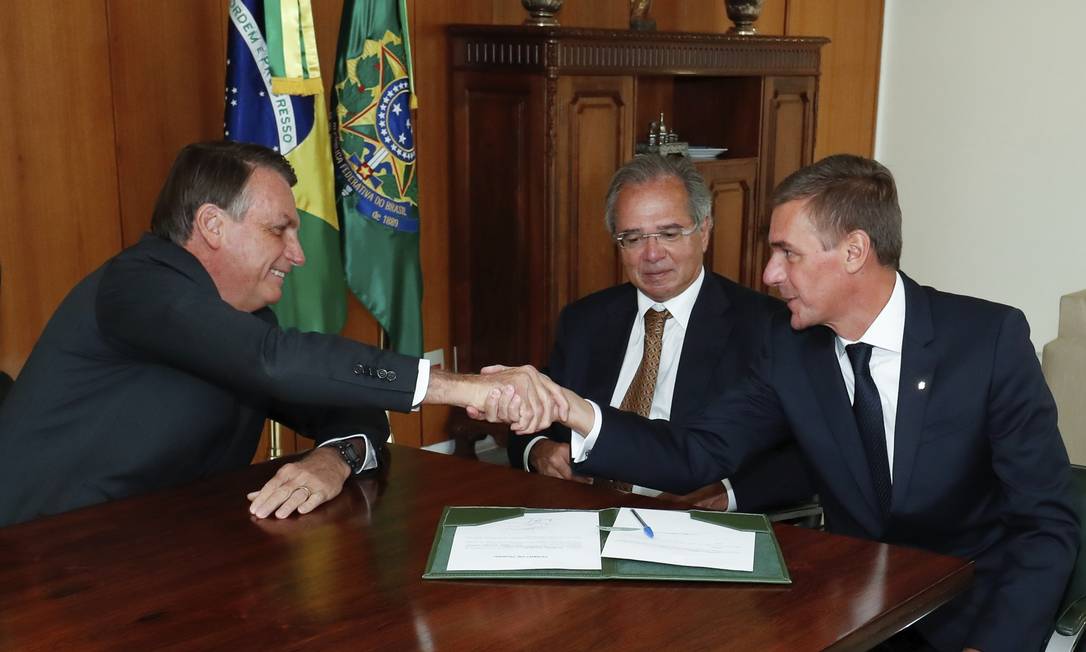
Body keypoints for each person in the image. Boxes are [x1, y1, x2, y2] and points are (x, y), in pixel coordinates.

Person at [490, 155, 1078, 652]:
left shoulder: (986, 340)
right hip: (852, 613)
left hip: (971, 614)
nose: (770, 274)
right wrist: (570, 409)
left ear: (853, 252)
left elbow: (1045, 525)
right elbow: (695, 453)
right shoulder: (791, 349)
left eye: (787, 253)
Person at [0, 141, 565, 528]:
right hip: (42, 563)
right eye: (279, 231)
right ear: (212, 226)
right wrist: (461, 389)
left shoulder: (245, 320)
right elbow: (276, 361)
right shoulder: (137, 286)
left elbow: (345, 401)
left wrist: (334, 458)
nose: (296, 255)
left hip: (171, 558)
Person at [506, 154, 812, 512]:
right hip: (583, 513)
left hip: (694, 528)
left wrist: (726, 493)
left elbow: (806, 455)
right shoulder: (585, 320)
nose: (652, 254)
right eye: (633, 238)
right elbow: (533, 413)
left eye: (669, 234)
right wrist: (538, 451)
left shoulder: (767, 327)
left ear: (705, 231)